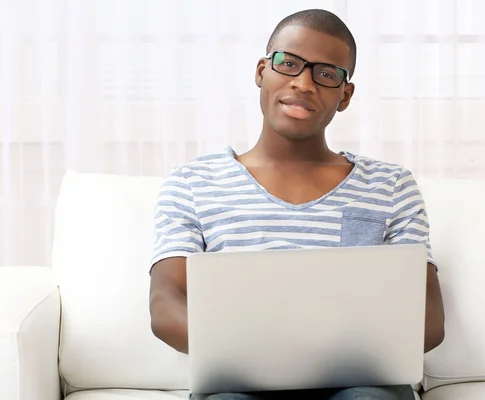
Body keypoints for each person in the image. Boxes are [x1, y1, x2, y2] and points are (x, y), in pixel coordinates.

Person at [149, 8, 445, 400]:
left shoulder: (391, 185)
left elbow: (429, 319)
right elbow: (165, 303)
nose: (304, 83)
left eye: (326, 74)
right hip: (240, 383)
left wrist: (318, 350)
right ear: (261, 72)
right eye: (288, 64)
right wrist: (261, 349)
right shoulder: (193, 183)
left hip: (361, 383)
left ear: (345, 95)